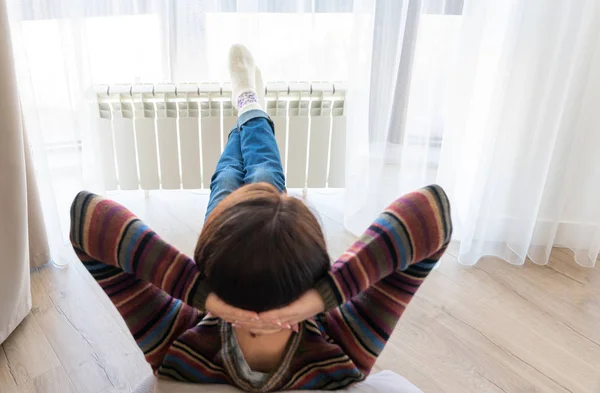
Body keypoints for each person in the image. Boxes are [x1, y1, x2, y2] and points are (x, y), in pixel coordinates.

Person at [70, 45, 453, 391]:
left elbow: (87, 219)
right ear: (318, 274)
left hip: (228, 249)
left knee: (229, 177)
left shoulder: (180, 345)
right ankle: (249, 103)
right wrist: (320, 301)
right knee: (263, 172)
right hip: (230, 260)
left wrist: (205, 299)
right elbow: (431, 216)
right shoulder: (341, 353)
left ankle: (246, 102)